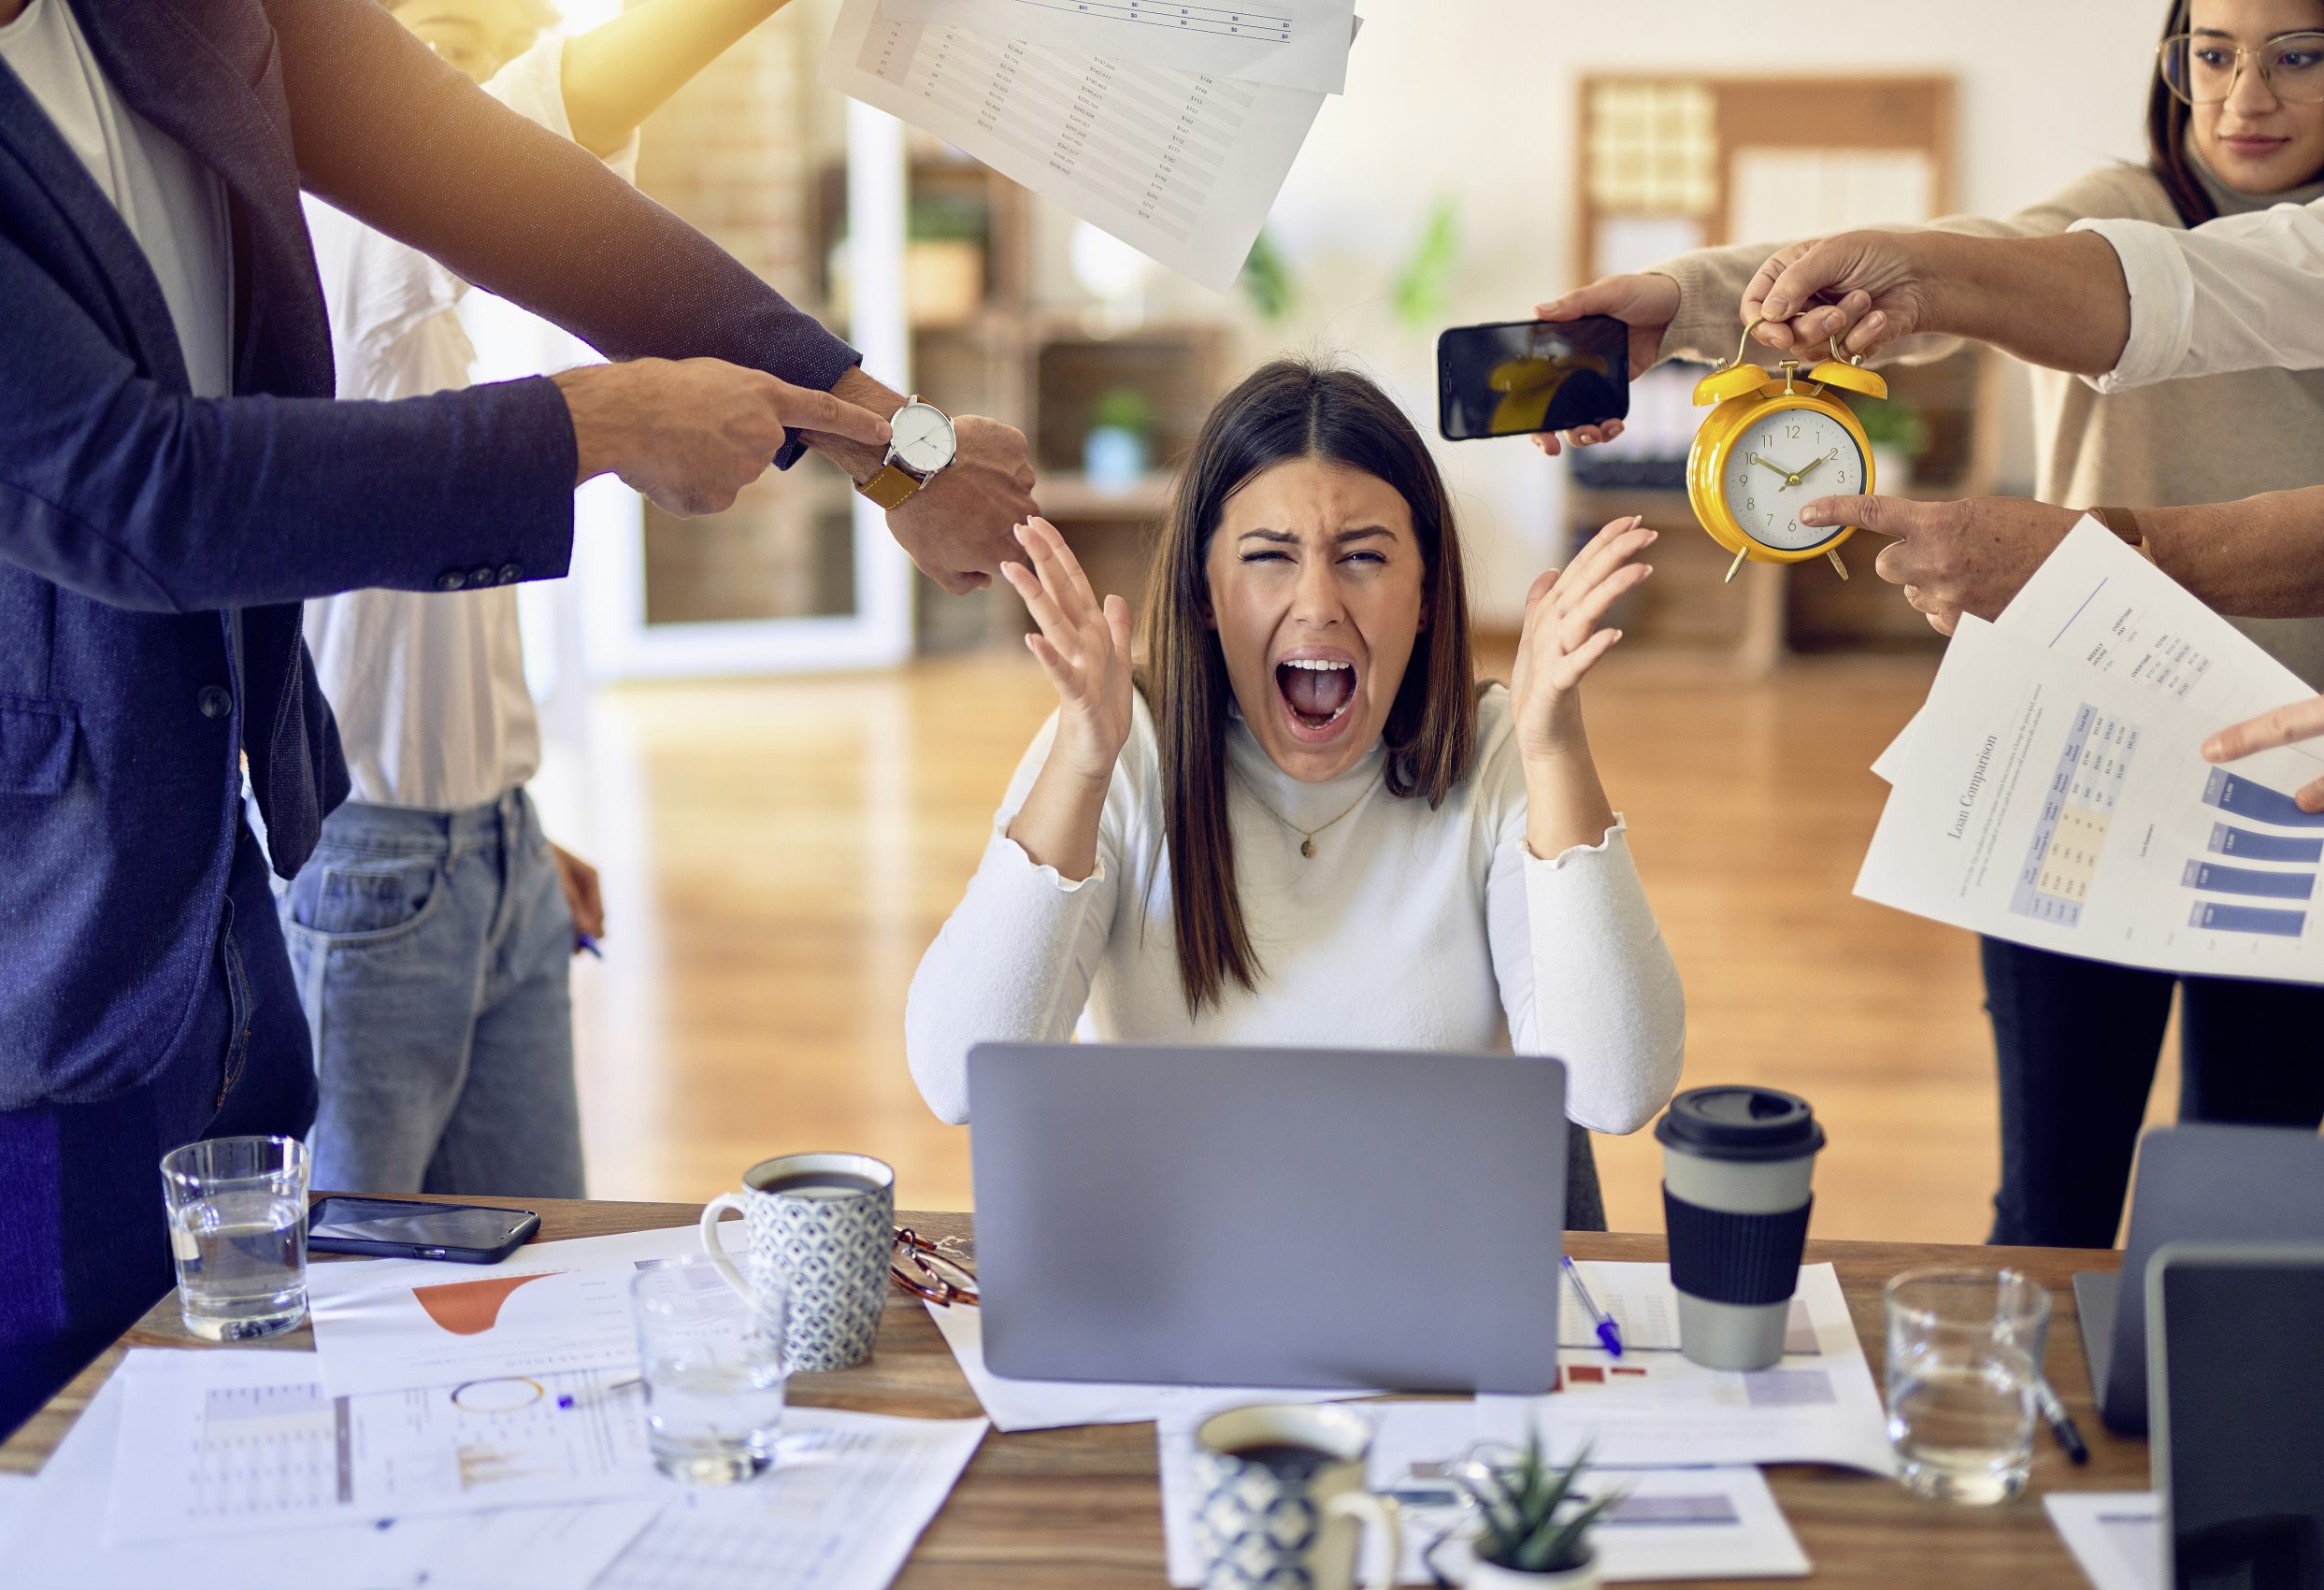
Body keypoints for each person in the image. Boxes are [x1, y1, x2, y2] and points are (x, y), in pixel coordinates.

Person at [0, 0, 1034, 1495]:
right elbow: (144, 494)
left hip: (218, 901)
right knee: (26, 1500)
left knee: (231, 1453)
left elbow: (500, 176)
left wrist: (887, 444)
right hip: (7, 960)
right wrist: (590, 423)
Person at [1530, 0, 2324, 1248]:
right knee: (2049, 1197)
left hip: (2297, 777)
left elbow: (2115, 292)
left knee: (2248, 1197)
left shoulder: (2222, 258)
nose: (2243, 98)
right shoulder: (2109, 208)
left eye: (2298, 56)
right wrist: (1681, 300)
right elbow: (1929, 261)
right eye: (2211, 53)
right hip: (2084, 764)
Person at [904, 362, 1686, 1225]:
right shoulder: (1119, 744)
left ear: (1425, 594)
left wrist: (1556, 746)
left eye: (1363, 557)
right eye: (1270, 557)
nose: (1317, 603)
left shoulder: (1499, 750)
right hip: (1178, 1269)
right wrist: (1083, 764)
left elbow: (1617, 1089)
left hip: (1429, 1272)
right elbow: (956, 1077)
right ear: (1205, 594)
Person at [287, 0, 798, 1202]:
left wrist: (501, 830)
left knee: (536, 1264)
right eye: (436, 50)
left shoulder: (436, 327)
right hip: (369, 873)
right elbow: (545, 120)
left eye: (492, 42)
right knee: (360, 1305)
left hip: (492, 852)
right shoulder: (335, 237)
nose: (473, 82)